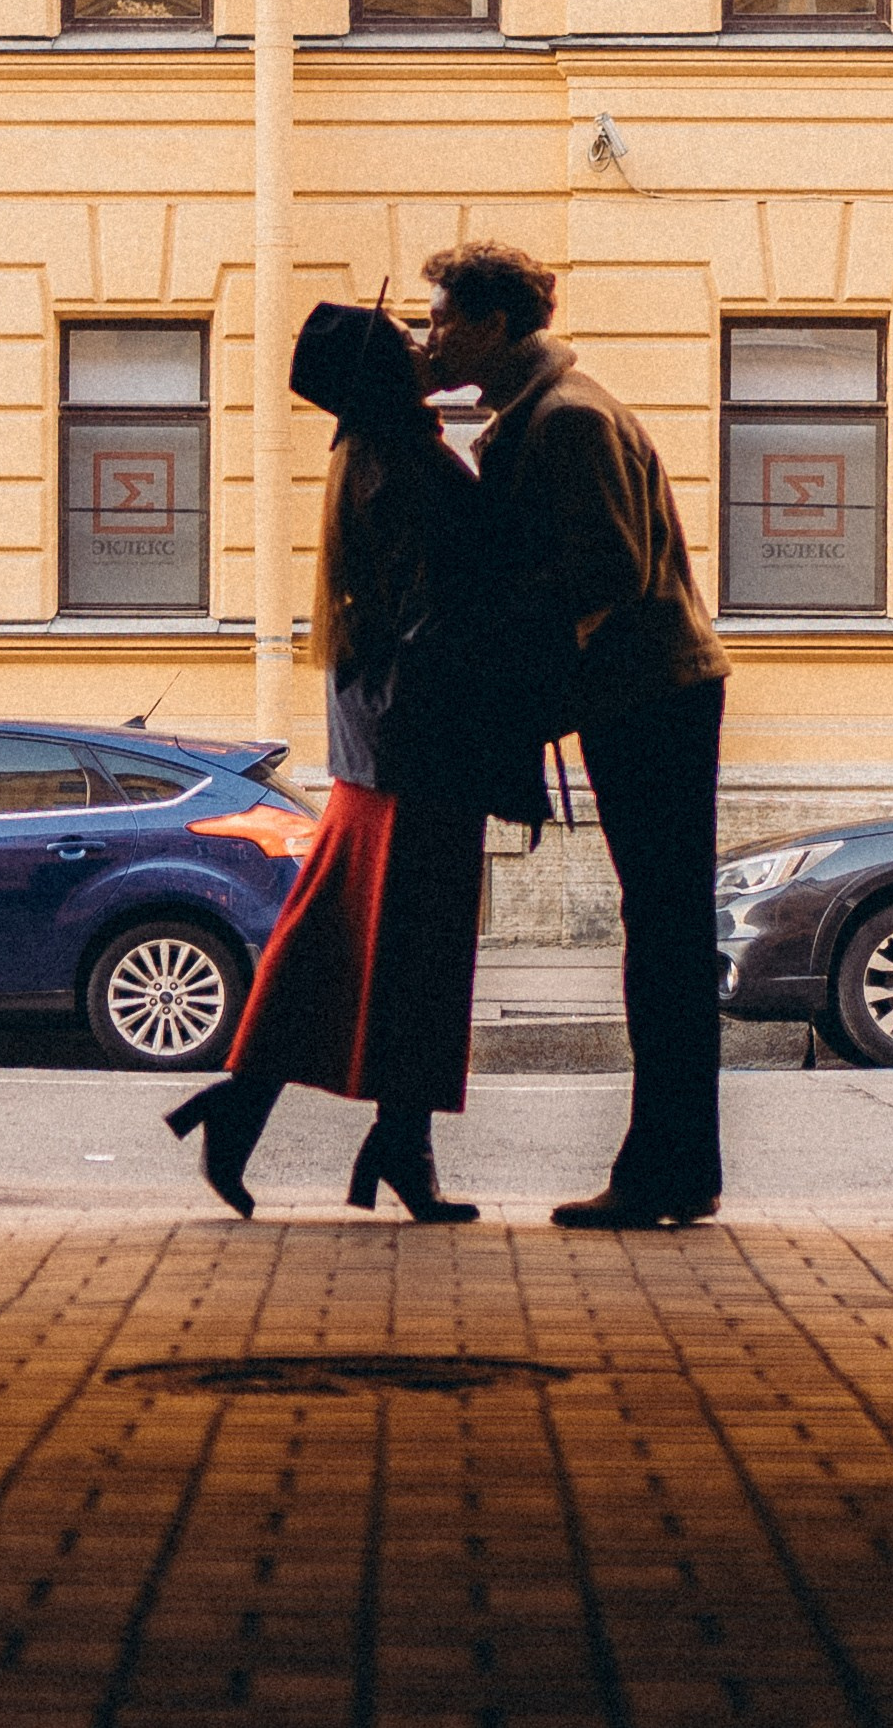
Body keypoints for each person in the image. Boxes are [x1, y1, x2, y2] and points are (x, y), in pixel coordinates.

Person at [167, 297, 549, 1223]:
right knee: (417, 957)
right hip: (425, 753)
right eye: (406, 342)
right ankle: (389, 1144)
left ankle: (285, 1117)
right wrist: (506, 748)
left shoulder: (369, 455)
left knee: (342, 947)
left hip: (381, 749)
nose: (424, 346)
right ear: (384, 372)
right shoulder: (409, 467)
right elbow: (448, 625)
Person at [419, 239, 732, 1229]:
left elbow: (608, 573)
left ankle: (665, 1170)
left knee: (665, 935)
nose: (432, 336)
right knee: (664, 931)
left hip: (649, 694)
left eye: (446, 320)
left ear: (499, 324)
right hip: (646, 691)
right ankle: (679, 1165)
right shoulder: (550, 411)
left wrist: (519, 664)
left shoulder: (568, 420)